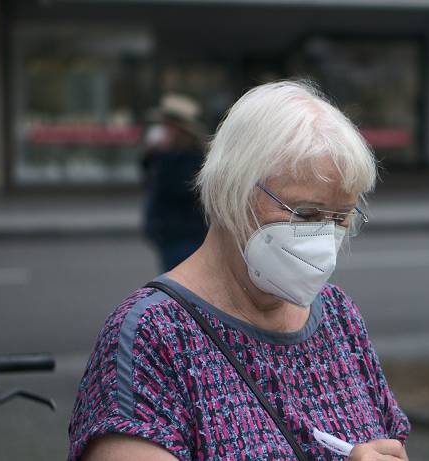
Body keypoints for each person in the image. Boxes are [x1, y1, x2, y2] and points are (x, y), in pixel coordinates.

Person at [69, 81, 410, 460]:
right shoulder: (152, 337)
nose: (323, 238)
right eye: (307, 214)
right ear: (235, 189)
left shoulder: (337, 315)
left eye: (341, 217)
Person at [141, 93, 209, 271]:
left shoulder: (193, 158)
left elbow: (177, 188)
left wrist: (163, 156)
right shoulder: (168, 155)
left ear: (179, 130)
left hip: (185, 235)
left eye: (167, 126)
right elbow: (148, 179)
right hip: (169, 234)